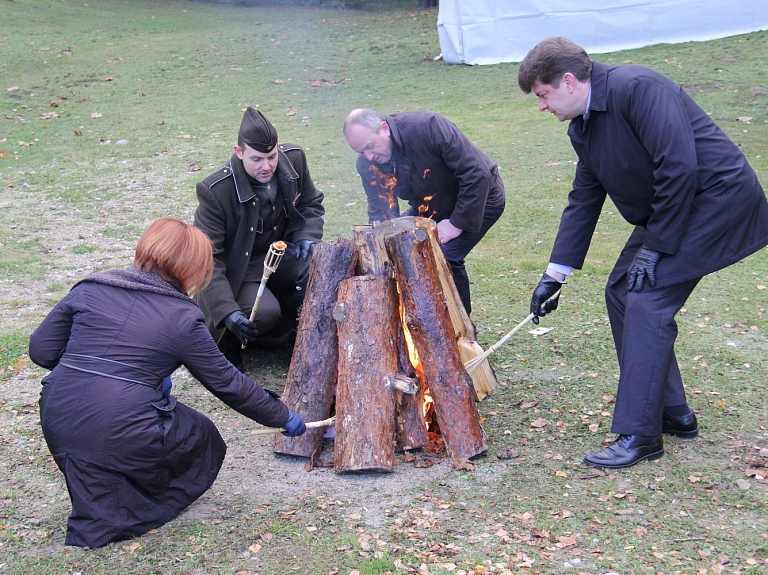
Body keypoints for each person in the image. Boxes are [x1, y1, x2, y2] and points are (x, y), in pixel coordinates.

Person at [518, 37, 768, 469]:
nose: (541, 106)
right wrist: (553, 276)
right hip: (674, 209)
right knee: (620, 291)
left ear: (570, 81)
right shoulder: (584, 126)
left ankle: (641, 433)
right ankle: (673, 412)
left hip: (715, 201)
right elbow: (584, 199)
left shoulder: (639, 88)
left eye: (542, 95)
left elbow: (679, 166)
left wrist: (654, 248)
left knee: (648, 301)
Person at [28, 218, 306, 548]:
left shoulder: (91, 287)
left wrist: (95, 365)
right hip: (120, 421)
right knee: (199, 434)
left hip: (57, 413)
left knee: (119, 436)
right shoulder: (182, 317)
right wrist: (283, 416)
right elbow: (228, 383)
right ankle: (130, 506)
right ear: (192, 268)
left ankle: (108, 500)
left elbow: (42, 350)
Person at [194, 107, 325, 371]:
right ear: (239, 152)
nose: (267, 166)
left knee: (320, 272)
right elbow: (207, 261)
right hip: (239, 271)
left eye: (271, 156)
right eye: (256, 159)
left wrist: (307, 237)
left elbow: (311, 203)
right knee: (263, 314)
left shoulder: (294, 160)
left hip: (281, 255)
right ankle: (233, 340)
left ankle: (295, 337)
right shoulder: (215, 191)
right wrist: (227, 312)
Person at [343, 108, 506, 314]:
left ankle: (461, 328)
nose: (369, 156)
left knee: (444, 256)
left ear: (384, 129)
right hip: (431, 207)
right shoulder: (368, 162)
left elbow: (477, 174)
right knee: (399, 250)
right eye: (361, 152)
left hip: (481, 199)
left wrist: (456, 223)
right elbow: (380, 207)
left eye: (370, 146)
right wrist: (379, 242)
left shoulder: (427, 126)